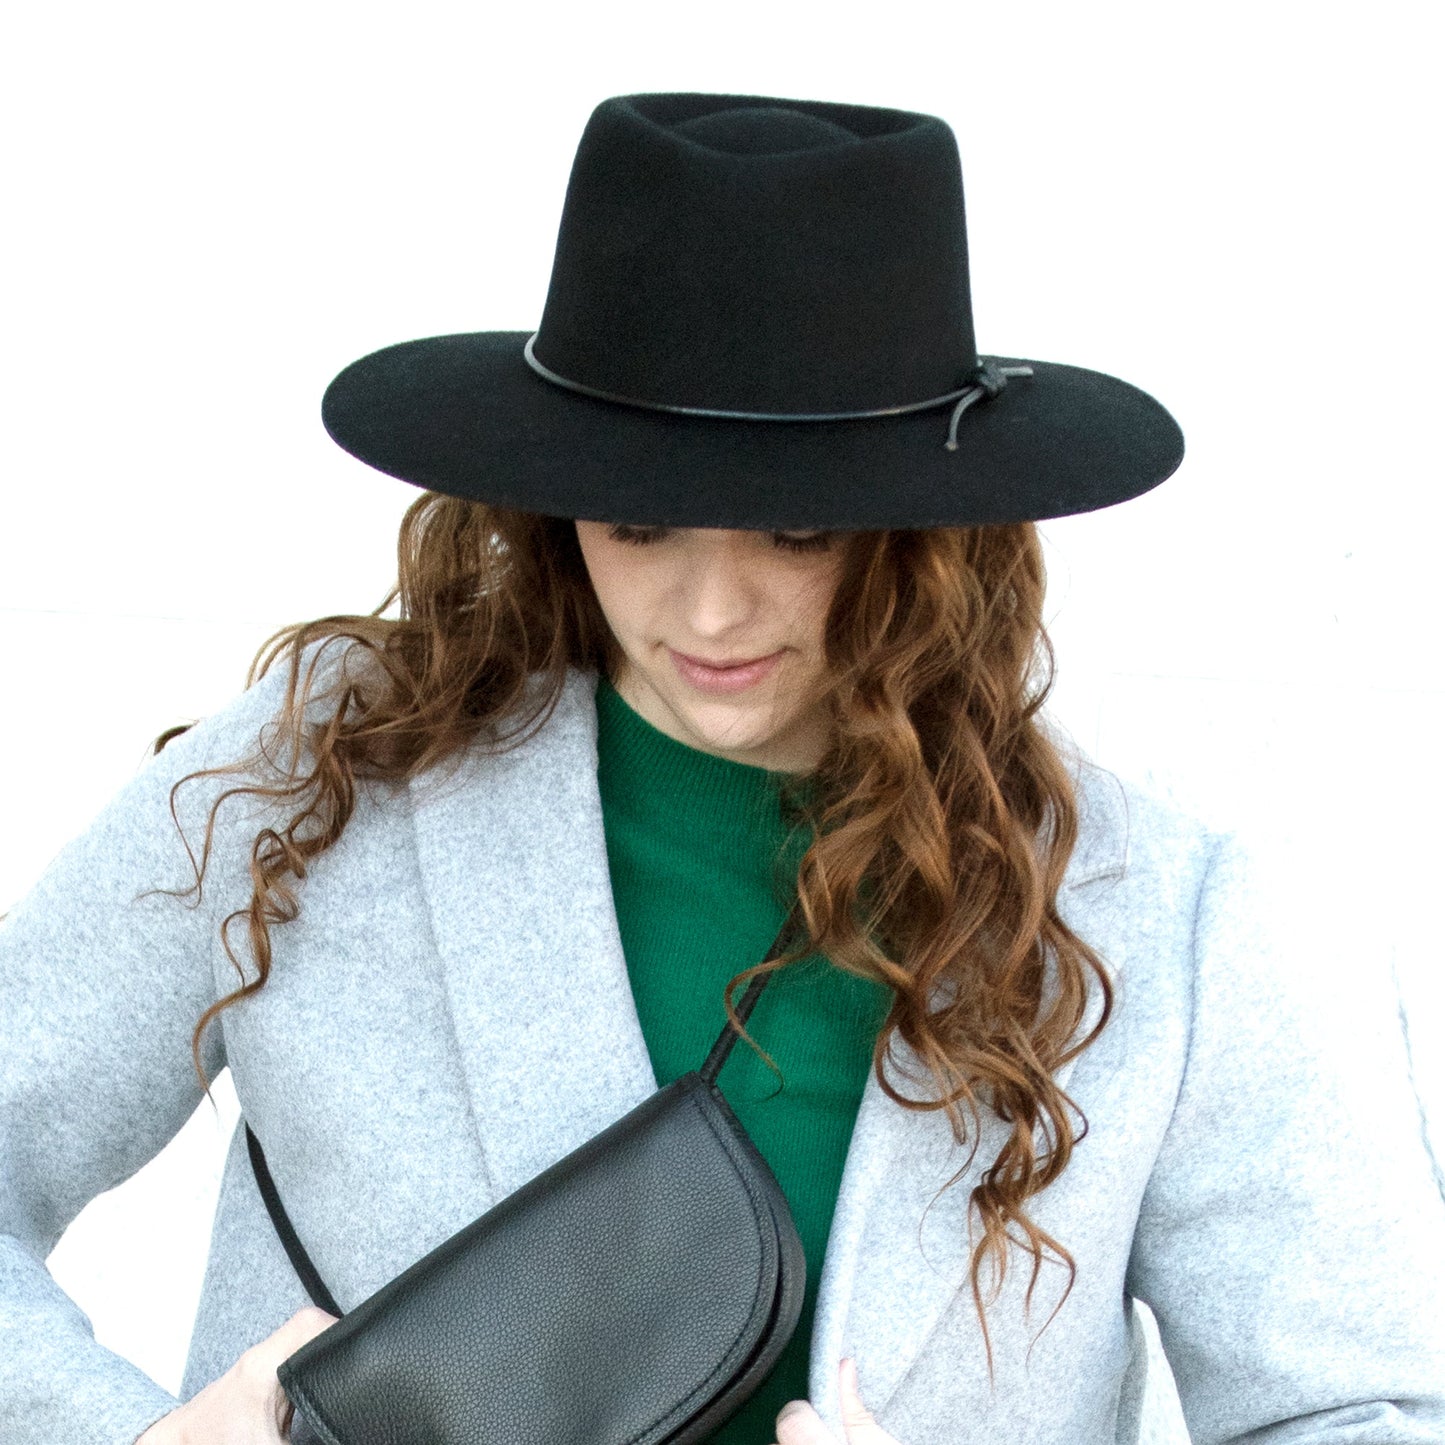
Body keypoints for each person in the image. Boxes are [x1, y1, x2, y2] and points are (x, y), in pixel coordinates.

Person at [2, 89, 1443, 1445]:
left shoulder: (1175, 918)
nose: (707, 610)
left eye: (796, 531)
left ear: (926, 527)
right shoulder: (318, 779)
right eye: (638, 522)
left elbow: (1367, 1411)